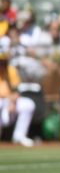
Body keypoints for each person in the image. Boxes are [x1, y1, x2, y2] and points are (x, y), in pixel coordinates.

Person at [0, 19, 35, 147]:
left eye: (3, 61)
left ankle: (19, 136)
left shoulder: (11, 70)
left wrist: (12, 101)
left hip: (9, 103)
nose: (2, 63)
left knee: (28, 104)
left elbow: (16, 90)